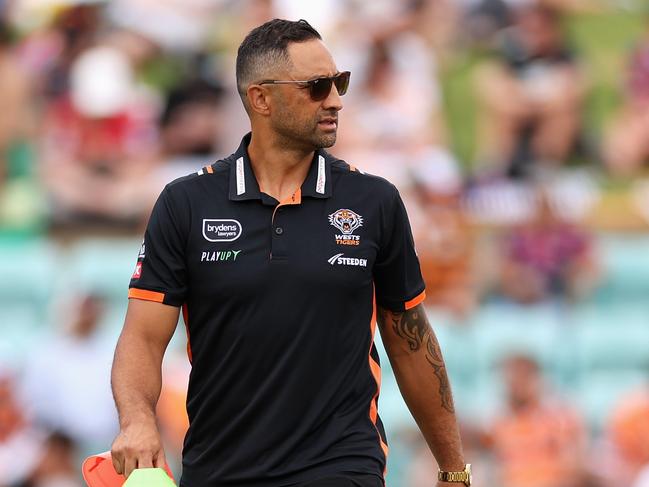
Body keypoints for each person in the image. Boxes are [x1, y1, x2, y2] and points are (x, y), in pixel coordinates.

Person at [110, 19, 467, 487]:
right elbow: (143, 338)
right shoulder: (186, 204)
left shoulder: (374, 201)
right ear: (261, 99)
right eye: (317, 87)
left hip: (342, 466)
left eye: (339, 83)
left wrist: (453, 469)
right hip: (220, 469)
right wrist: (137, 419)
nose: (336, 99)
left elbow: (410, 341)